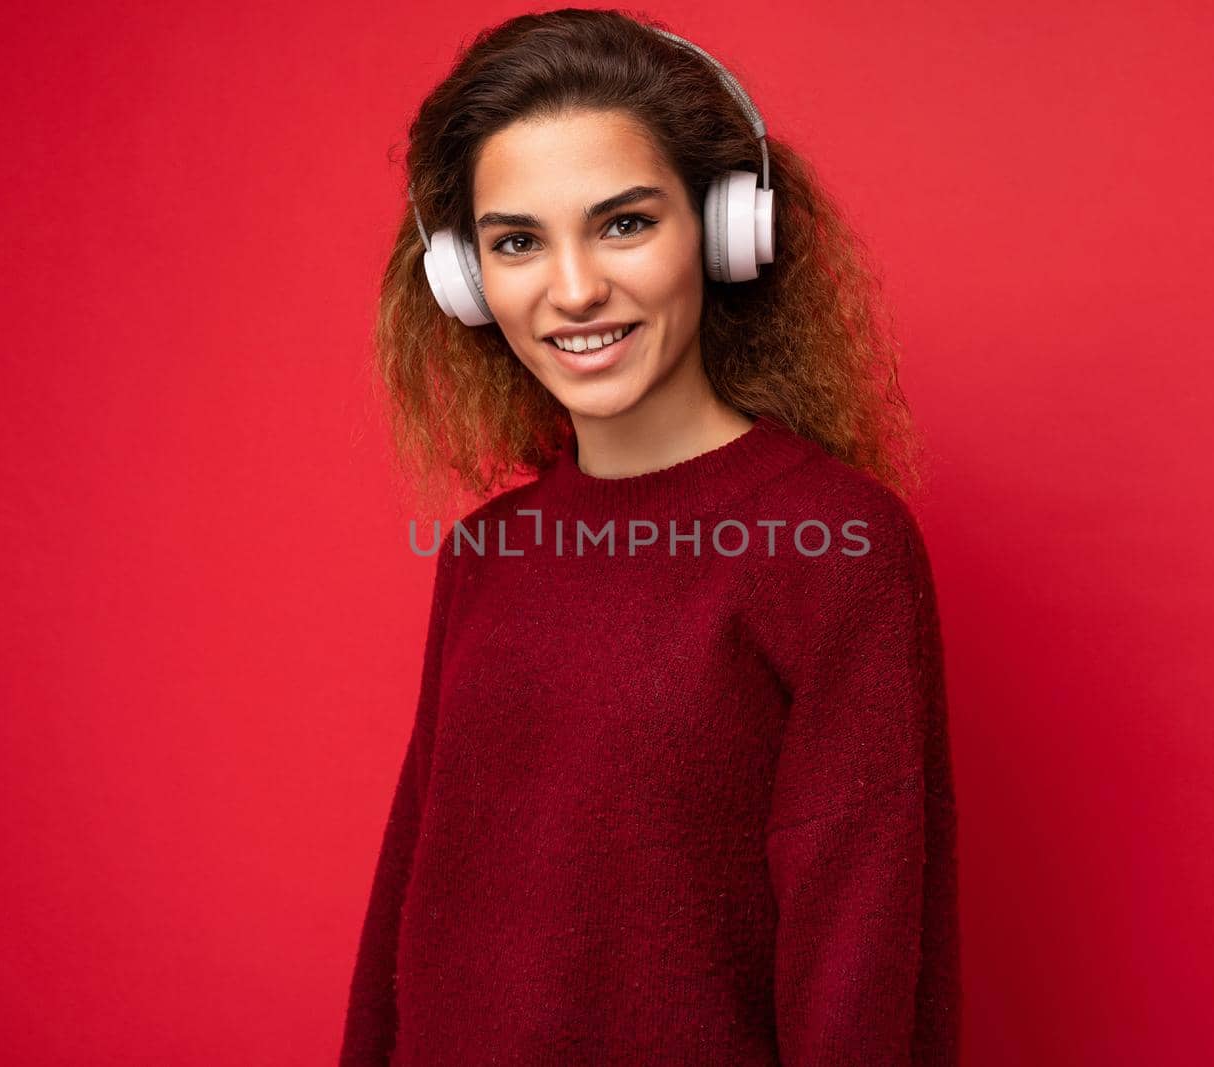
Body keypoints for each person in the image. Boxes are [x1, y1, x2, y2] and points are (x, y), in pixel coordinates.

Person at [342, 10, 960, 1064]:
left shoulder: (837, 545)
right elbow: (411, 899)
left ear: (724, 233)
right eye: (517, 241)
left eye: (624, 222)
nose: (574, 288)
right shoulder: (486, 552)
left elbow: (858, 960)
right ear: (464, 278)